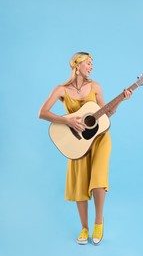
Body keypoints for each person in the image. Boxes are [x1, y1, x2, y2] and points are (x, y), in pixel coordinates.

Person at [38, 52, 132, 245]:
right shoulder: (61, 90)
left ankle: (99, 222)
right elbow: (42, 113)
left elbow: (106, 113)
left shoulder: (95, 87)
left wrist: (122, 98)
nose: (91, 67)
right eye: (88, 63)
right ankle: (84, 228)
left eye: (92, 64)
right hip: (77, 143)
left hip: (99, 139)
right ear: (77, 65)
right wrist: (67, 120)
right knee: (80, 182)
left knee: (98, 177)